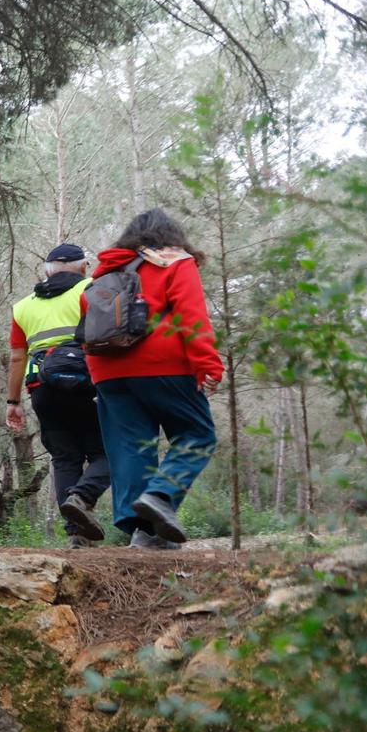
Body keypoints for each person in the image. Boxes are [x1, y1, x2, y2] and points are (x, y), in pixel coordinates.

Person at [81, 209, 224, 549]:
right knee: (197, 434)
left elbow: (88, 324)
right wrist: (209, 364)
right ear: (172, 235)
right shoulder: (175, 261)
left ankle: (145, 533)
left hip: (108, 370)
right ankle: (161, 496)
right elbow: (192, 315)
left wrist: (98, 374)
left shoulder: (106, 271)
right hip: (164, 365)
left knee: (131, 447)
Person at [5, 243, 112, 546]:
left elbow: (16, 358)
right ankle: (82, 497)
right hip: (87, 385)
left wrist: (13, 403)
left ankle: (77, 536)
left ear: (47, 272)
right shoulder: (91, 289)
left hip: (42, 389)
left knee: (65, 457)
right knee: (110, 452)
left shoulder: (23, 306)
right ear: (83, 267)